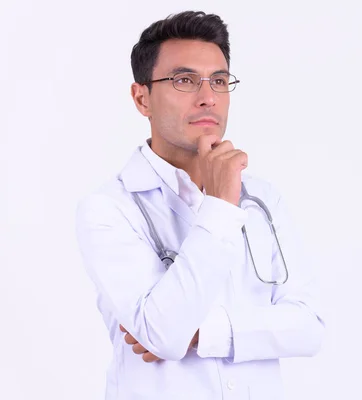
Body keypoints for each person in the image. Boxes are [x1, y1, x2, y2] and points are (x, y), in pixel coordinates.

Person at [75, 10, 325, 400]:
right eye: (184, 80)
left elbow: (309, 326)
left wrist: (200, 332)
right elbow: (162, 335)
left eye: (219, 81)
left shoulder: (263, 199)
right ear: (142, 98)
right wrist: (222, 206)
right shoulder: (109, 209)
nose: (208, 97)